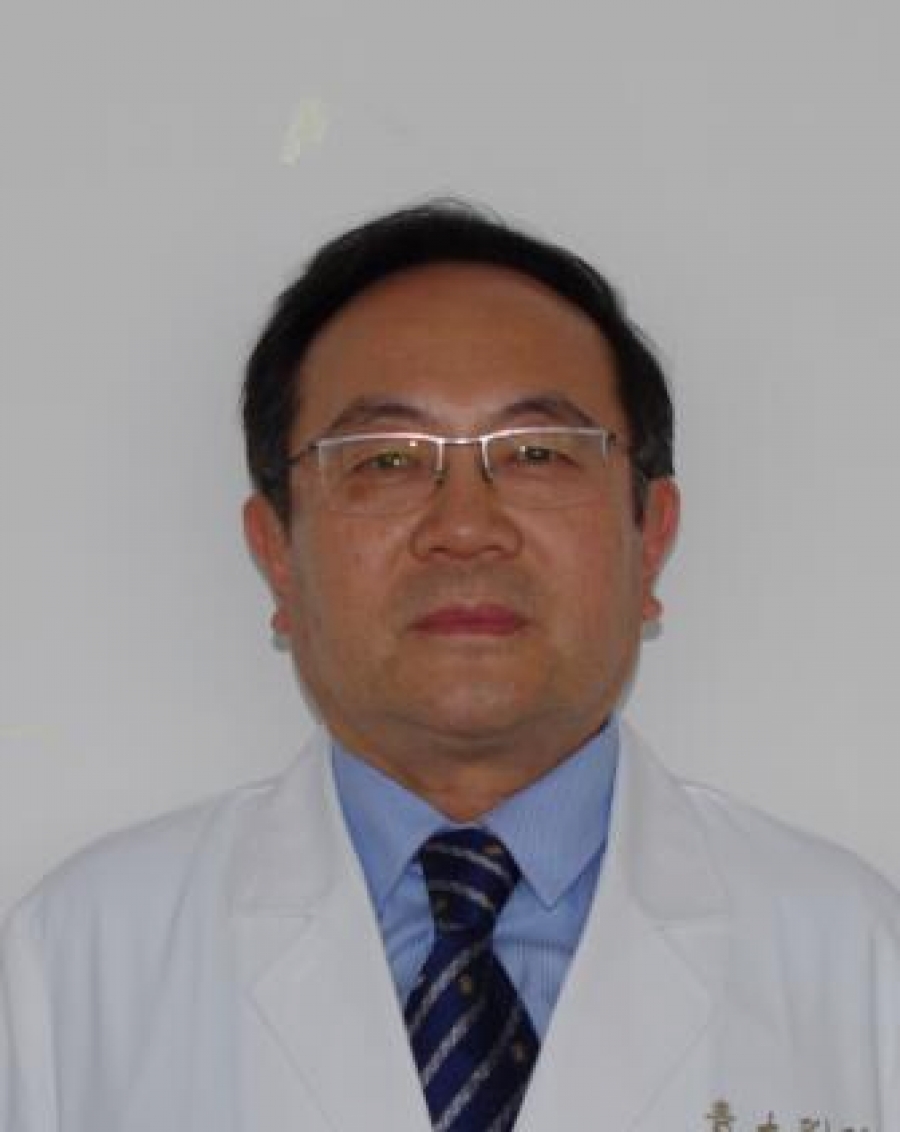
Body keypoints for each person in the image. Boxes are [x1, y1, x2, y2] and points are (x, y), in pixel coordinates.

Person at [1, 203, 898, 1132]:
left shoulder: (858, 963)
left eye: (537, 452)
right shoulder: (73, 973)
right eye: (386, 460)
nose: (466, 527)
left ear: (651, 539)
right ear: (277, 554)